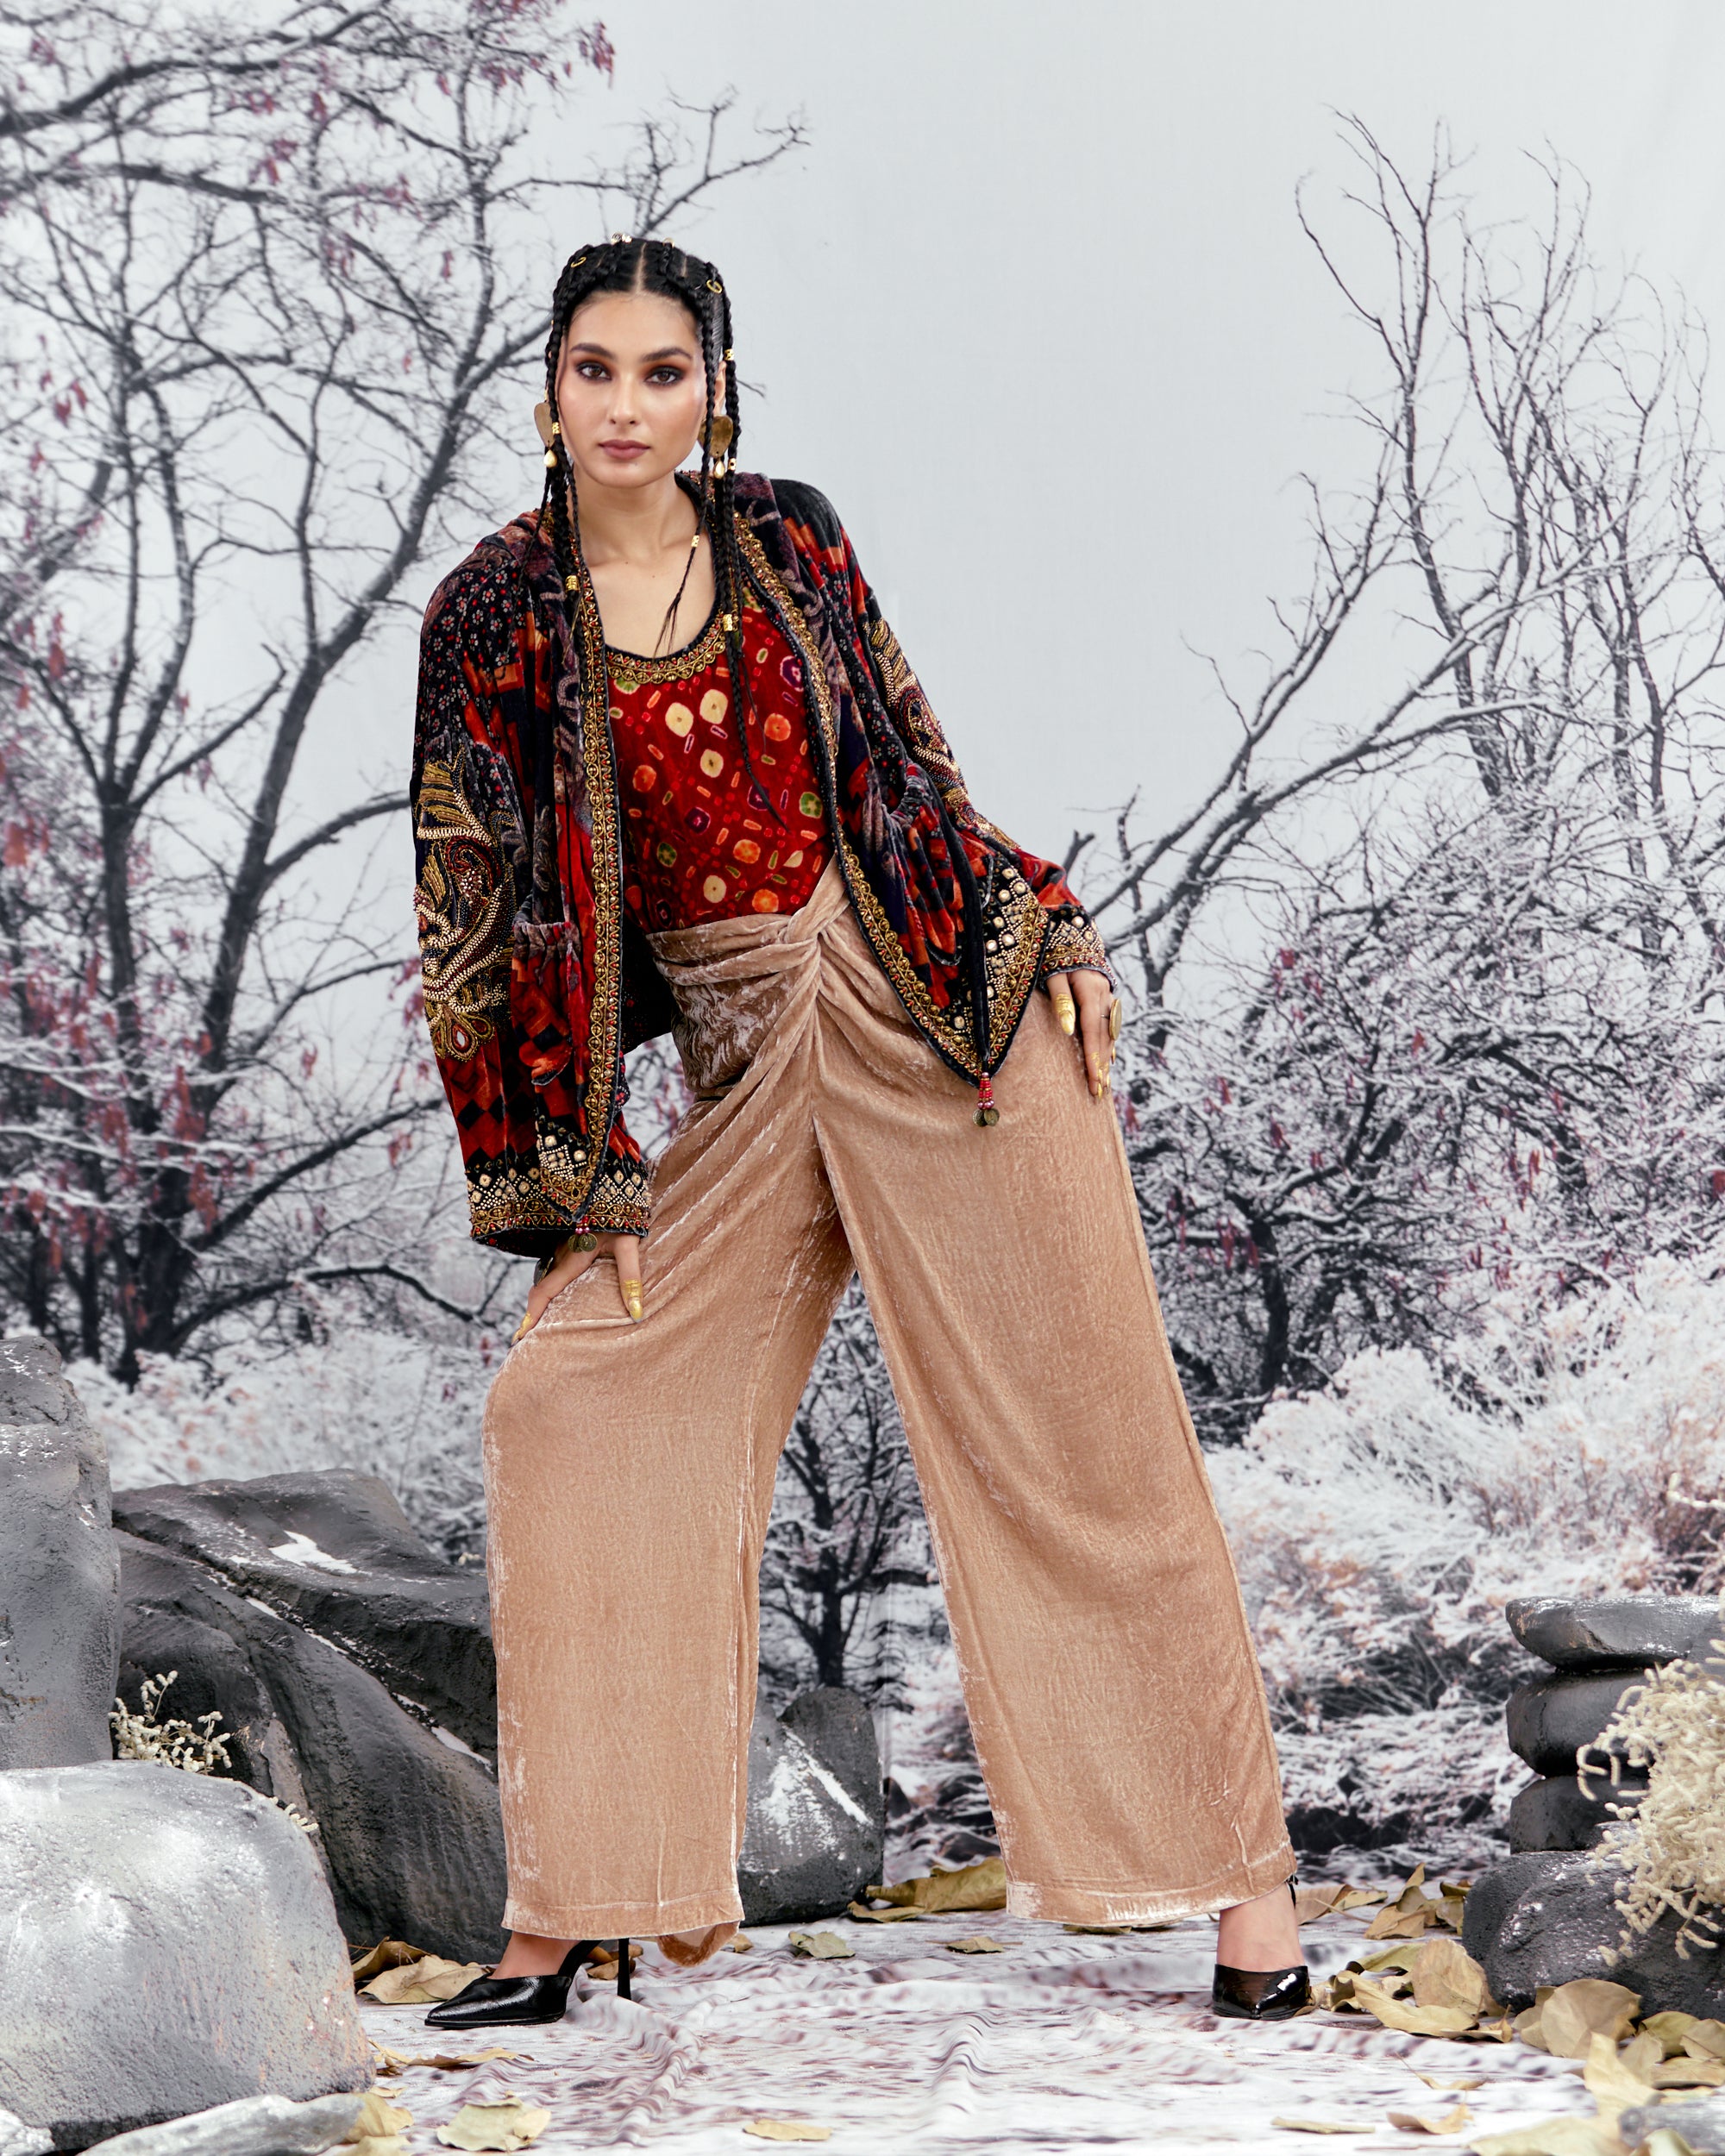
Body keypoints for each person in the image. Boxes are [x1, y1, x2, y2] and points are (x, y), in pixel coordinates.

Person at [408, 236, 1308, 2030]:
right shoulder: (490, 610)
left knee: (1089, 1440)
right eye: (596, 368)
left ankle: (1252, 1899)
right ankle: (572, 1911)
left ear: (714, 387)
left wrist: (1046, 925)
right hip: (746, 1060)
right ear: (549, 385)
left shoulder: (791, 538)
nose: (628, 406)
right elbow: (472, 911)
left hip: (938, 1020)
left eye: (665, 372)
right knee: (573, 1409)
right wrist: (566, 1167)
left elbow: (908, 765)